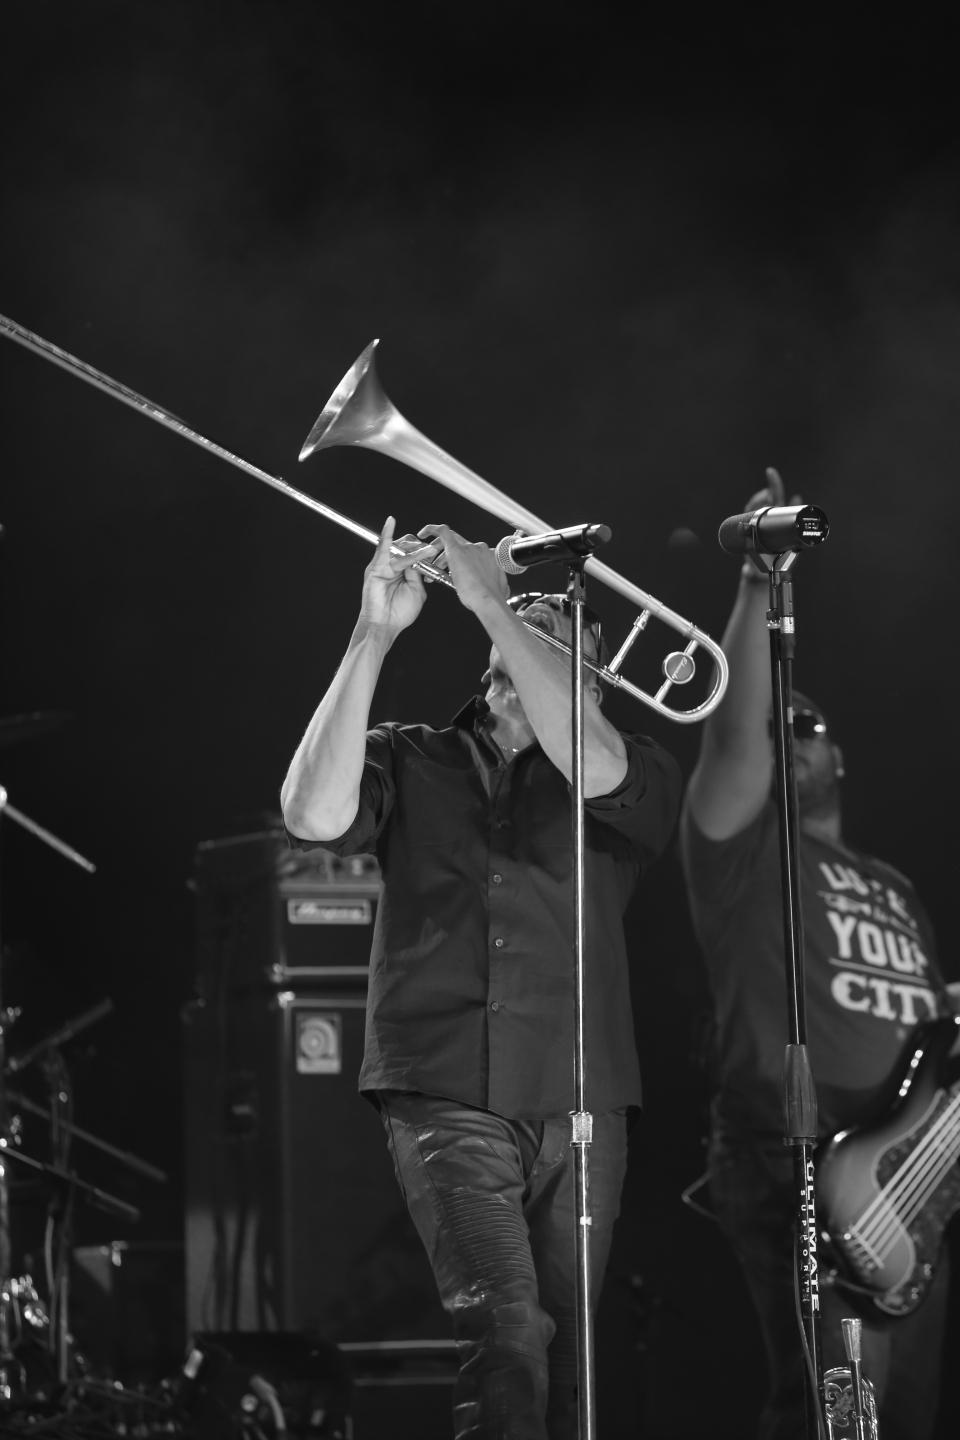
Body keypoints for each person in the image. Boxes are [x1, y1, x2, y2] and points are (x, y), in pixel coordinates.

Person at [280, 516, 680, 1439]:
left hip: (582, 1097)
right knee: (505, 1332)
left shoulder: (631, 764)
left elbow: (599, 766)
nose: (529, 623)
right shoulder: (412, 753)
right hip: (444, 1083)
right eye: (522, 618)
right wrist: (373, 631)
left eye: (557, 629)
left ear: (593, 679)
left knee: (570, 1363)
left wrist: (497, 607)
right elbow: (310, 815)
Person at [681, 475, 954, 1440]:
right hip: (794, 1152)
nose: (786, 735)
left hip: (911, 1177)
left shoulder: (894, 885)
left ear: (841, 760)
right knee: (838, 1412)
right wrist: (760, 585)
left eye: (808, 728)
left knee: (904, 1418)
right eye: (776, 729)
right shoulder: (742, 845)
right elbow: (732, 736)